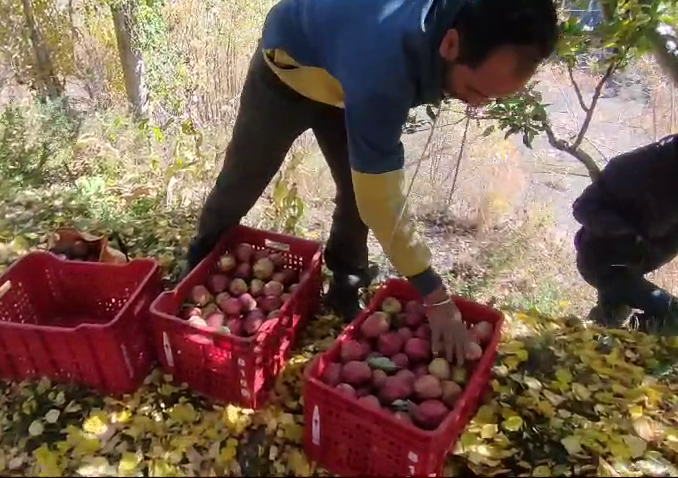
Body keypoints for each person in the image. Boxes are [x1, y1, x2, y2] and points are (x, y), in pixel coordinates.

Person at [184, 0, 560, 364]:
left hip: (347, 81)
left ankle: (346, 283)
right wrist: (434, 295)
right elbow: (380, 202)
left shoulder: (464, 16)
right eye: (477, 91)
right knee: (244, 176)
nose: (478, 105)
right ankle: (199, 265)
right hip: (290, 67)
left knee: (353, 190)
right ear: (450, 43)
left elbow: (368, 192)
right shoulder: (384, 67)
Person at [572, 134, 678, 334]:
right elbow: (583, 207)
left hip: (635, 269)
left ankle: (605, 329)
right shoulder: (639, 167)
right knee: (675, 316)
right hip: (602, 263)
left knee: (610, 330)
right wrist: (627, 235)